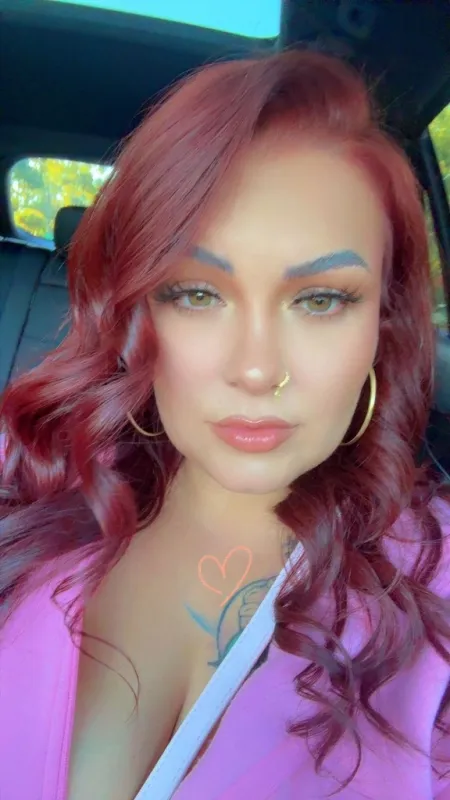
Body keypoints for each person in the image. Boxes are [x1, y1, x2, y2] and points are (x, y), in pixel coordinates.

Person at [1, 47, 450, 800]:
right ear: (134, 309)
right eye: (195, 293)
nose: (256, 369)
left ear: (383, 318)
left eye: (321, 300)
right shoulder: (25, 477)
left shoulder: (434, 594)